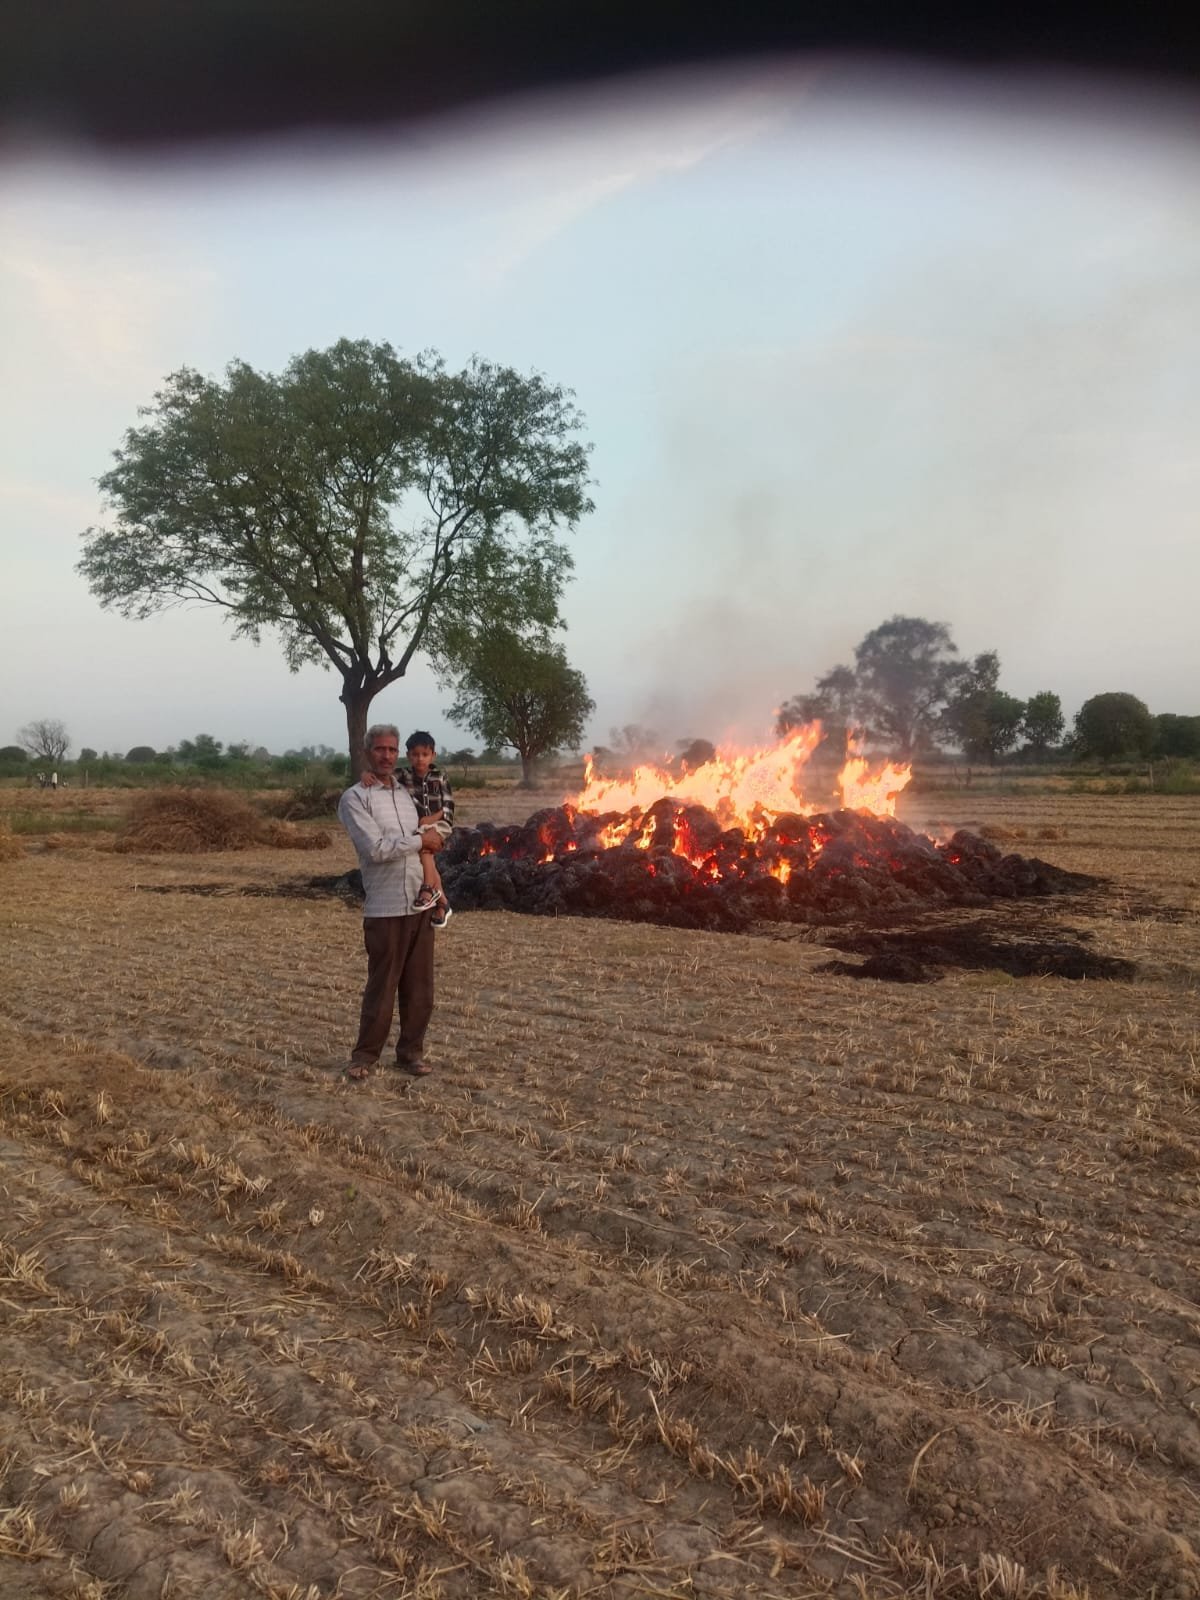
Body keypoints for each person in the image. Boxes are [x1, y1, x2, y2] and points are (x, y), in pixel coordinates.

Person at [337, 723, 442, 1083]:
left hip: (419, 902)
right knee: (382, 987)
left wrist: (435, 883)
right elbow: (376, 850)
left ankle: (410, 1053)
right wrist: (420, 841)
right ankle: (364, 1055)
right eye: (379, 749)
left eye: (391, 749)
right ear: (368, 752)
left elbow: (433, 826)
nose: (386, 755)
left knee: (420, 990)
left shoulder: (405, 792)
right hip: (385, 906)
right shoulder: (355, 798)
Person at [362, 730, 456, 929]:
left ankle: (428, 889)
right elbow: (381, 776)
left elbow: (448, 806)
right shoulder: (402, 775)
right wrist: (365, 774)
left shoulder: (440, 777)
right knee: (424, 855)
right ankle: (442, 903)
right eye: (415, 755)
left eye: (424, 754)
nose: (420, 759)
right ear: (408, 755)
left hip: (438, 823)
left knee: (425, 851)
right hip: (418, 826)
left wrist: (430, 819)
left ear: (433, 756)